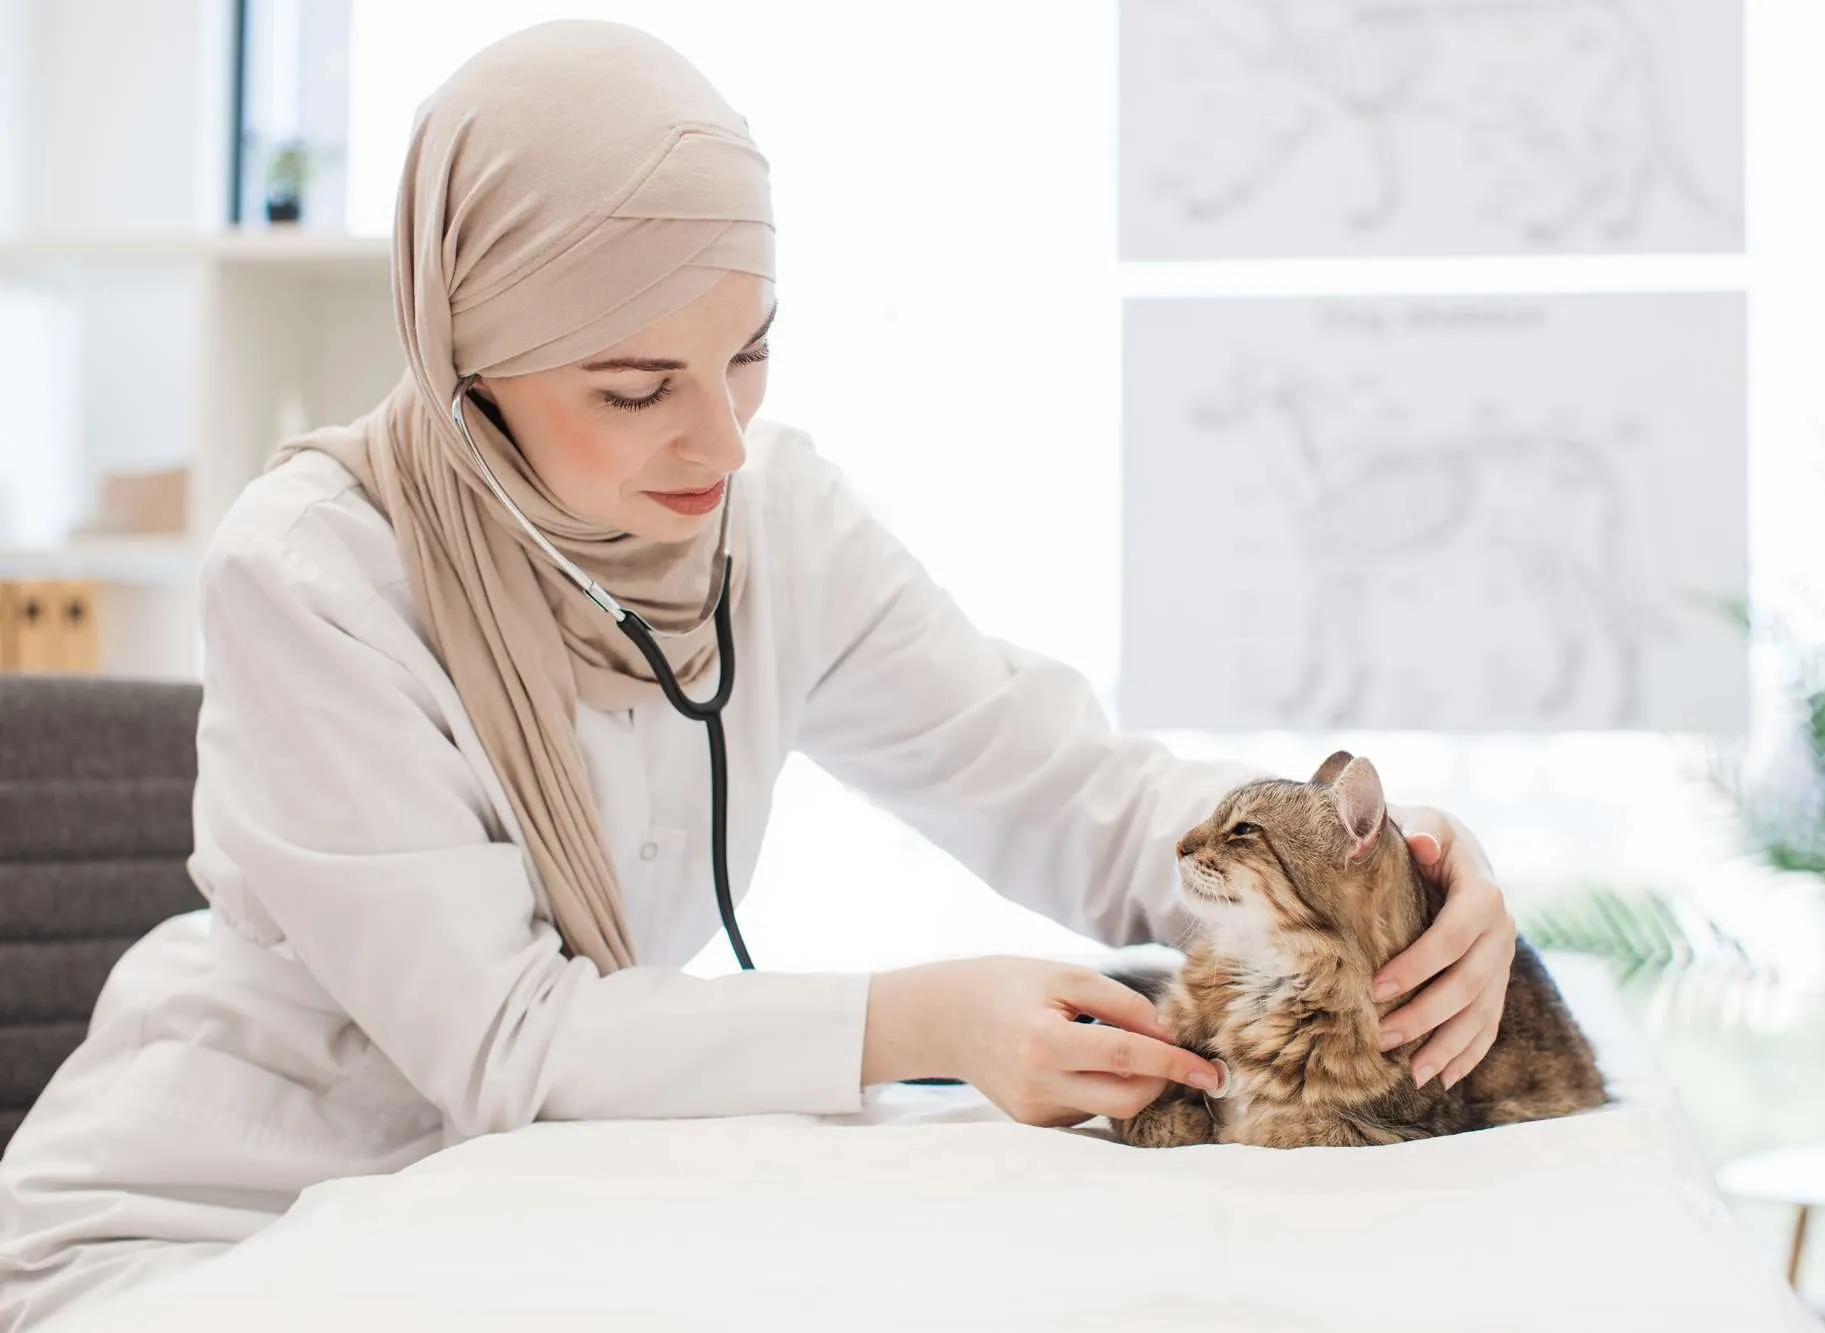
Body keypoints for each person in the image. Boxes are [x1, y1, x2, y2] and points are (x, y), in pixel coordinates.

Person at [0, 21, 1518, 1330]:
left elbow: (1064, 791)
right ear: (462, 361)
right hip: (218, 1229)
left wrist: (1392, 884)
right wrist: (924, 1022)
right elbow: (507, 1041)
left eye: (751, 351)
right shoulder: (313, 575)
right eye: (636, 385)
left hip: (513, 1214)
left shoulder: (768, 519)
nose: (720, 440)